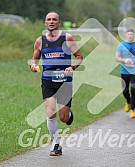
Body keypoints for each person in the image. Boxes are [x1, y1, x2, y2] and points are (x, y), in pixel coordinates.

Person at [30, 12, 83, 156]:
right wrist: (34, 66)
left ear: (59, 22)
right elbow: (34, 59)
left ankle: (69, 115)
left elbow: (79, 56)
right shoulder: (40, 41)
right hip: (48, 81)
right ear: (45, 22)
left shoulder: (67, 38)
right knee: (50, 111)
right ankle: (56, 144)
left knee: (63, 118)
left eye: (54, 19)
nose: (51, 22)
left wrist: (72, 67)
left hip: (65, 81)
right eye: (49, 19)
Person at [115, 29, 135, 118]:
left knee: (133, 90)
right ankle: (128, 102)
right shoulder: (121, 45)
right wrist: (124, 60)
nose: (130, 36)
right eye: (128, 34)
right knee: (125, 91)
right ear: (125, 35)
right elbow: (117, 58)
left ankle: (133, 110)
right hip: (124, 71)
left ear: (134, 36)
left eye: (131, 34)